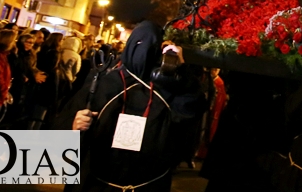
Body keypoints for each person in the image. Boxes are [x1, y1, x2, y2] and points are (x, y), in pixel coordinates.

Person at [60, 21, 205, 191]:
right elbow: (65, 122)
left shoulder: (167, 86)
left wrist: (181, 68)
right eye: (138, 44)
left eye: (151, 45)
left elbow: (192, 109)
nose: (143, 51)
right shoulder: (105, 81)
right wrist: (74, 124)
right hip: (99, 182)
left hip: (148, 182)